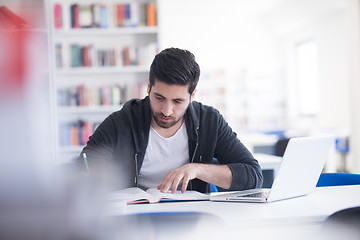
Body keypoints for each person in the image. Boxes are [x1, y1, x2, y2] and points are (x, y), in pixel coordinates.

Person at [77, 47, 263, 193]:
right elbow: (85, 167)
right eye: (159, 98)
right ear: (149, 86)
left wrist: (197, 170)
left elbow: (253, 175)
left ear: (192, 95)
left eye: (178, 101)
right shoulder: (121, 122)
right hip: (135, 219)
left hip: (192, 218)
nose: (166, 110)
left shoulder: (209, 121)